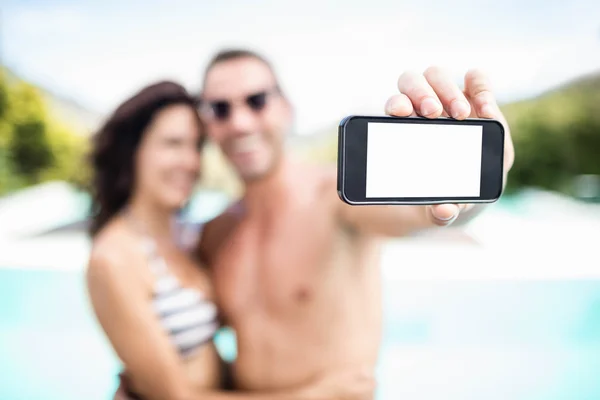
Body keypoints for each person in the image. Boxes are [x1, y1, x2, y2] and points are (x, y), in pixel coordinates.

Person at [196, 49, 515, 397]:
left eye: (256, 101)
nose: (239, 123)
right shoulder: (215, 233)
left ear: (286, 109)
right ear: (207, 124)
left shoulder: (336, 200)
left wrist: (469, 191)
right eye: (219, 109)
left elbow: (422, 214)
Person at [85, 81, 374, 400]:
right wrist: (318, 395)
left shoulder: (186, 241)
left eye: (196, 146)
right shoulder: (114, 258)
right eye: (172, 144)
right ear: (132, 151)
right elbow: (177, 396)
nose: (190, 162)